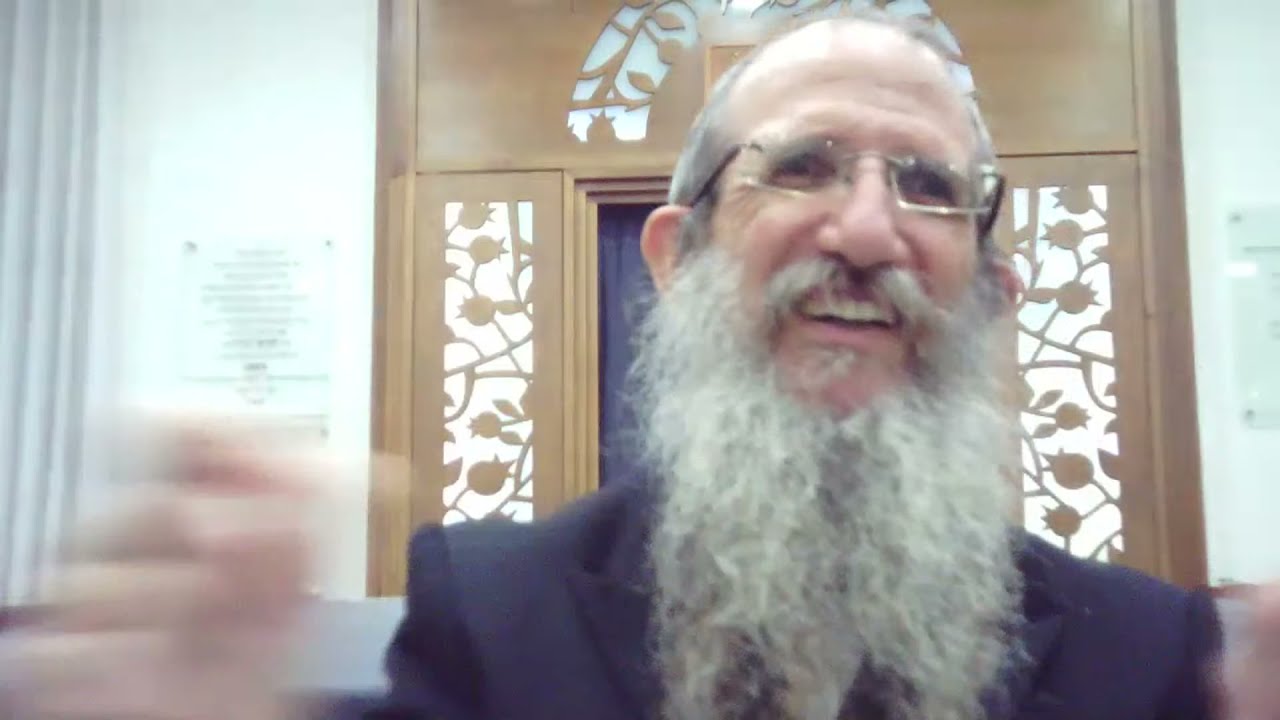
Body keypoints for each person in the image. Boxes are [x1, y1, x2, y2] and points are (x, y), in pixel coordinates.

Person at [7, 10, 1280, 720]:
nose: (865, 231)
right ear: (674, 254)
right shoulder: (494, 611)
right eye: (801, 165)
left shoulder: (1143, 655)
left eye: (929, 187)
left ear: (990, 297)